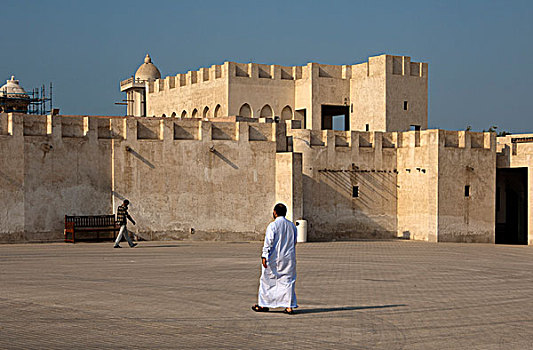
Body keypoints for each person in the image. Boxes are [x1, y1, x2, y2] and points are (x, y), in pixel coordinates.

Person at [252, 203, 298, 315]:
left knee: (267, 280)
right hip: (289, 258)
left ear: (275, 212)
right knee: (288, 281)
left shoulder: (273, 226)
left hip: (274, 258)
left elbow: (268, 242)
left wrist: (264, 255)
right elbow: (294, 241)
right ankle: (289, 306)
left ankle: (264, 304)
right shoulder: (291, 226)